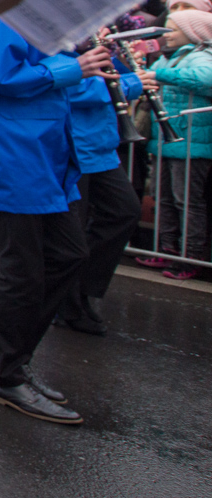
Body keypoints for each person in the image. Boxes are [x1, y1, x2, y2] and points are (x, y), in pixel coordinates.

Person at [0, 19, 113, 426]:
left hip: (39, 149)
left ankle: (4, 353)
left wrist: (80, 66)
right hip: (13, 151)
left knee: (67, 254)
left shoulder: (34, 2)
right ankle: (4, 375)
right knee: (23, 270)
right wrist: (73, 67)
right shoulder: (4, 4)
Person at [54, 40, 145, 334]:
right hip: (74, 147)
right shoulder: (58, 41)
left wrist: (124, 63)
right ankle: (68, 302)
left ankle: (80, 288)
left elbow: (111, 77)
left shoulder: (91, 39)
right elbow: (71, 88)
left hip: (102, 147)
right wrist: (133, 83)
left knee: (126, 211)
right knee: (73, 234)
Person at [143, 8, 212, 278]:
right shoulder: (168, 58)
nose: (167, 35)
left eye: (173, 29)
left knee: (187, 201)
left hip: (192, 142)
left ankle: (190, 255)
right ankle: (166, 250)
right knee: (164, 198)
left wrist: (160, 76)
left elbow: (206, 79)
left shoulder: (203, 55)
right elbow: (148, 75)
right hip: (166, 139)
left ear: (193, 32)